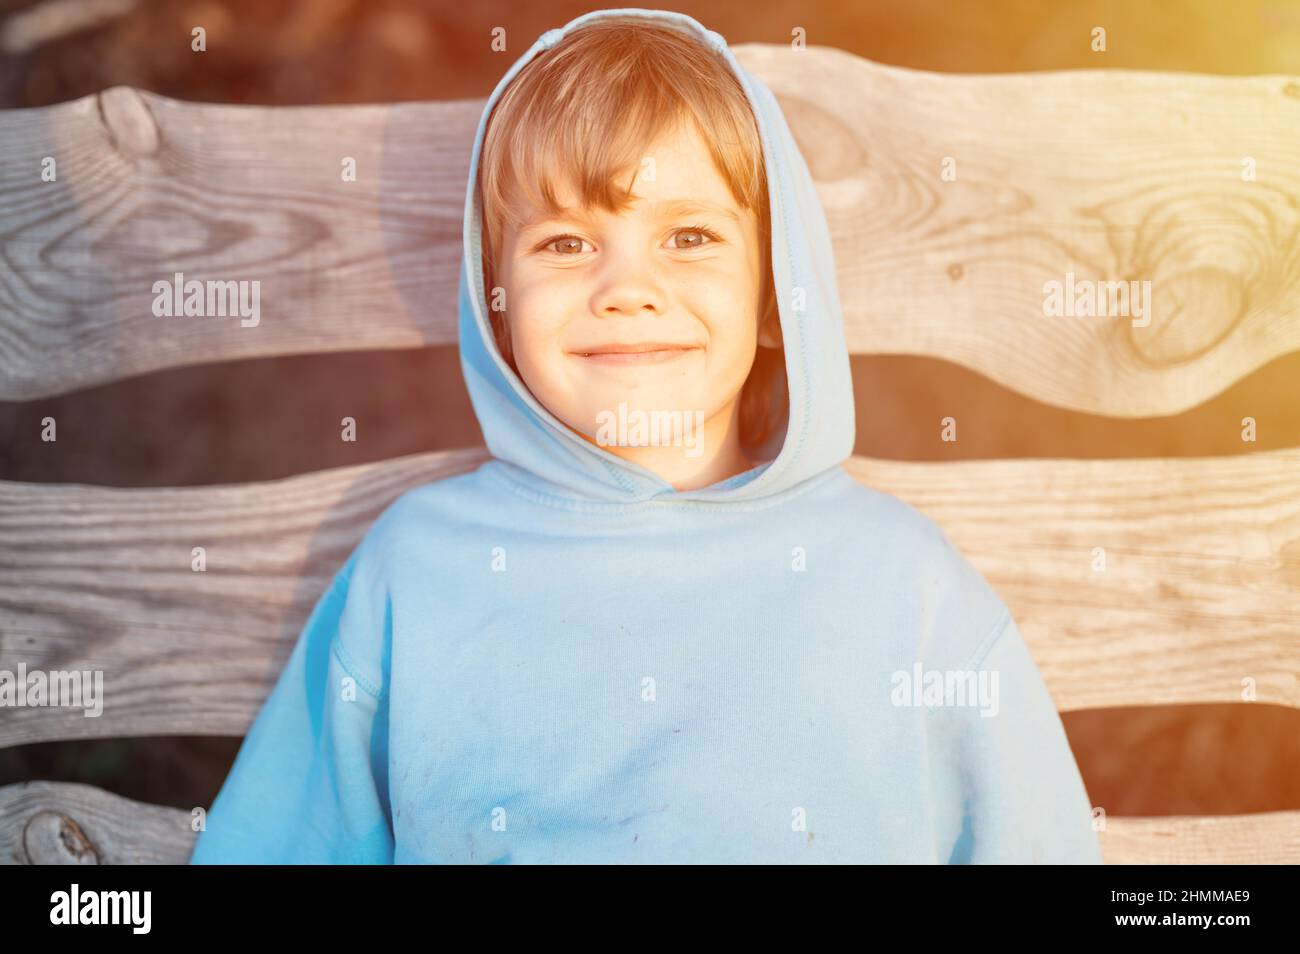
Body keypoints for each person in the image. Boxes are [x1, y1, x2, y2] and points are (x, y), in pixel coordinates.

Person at [189, 8, 1103, 864]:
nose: (627, 289)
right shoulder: (416, 571)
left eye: (691, 237)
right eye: (564, 243)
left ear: (775, 295)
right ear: (497, 304)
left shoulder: (906, 585)